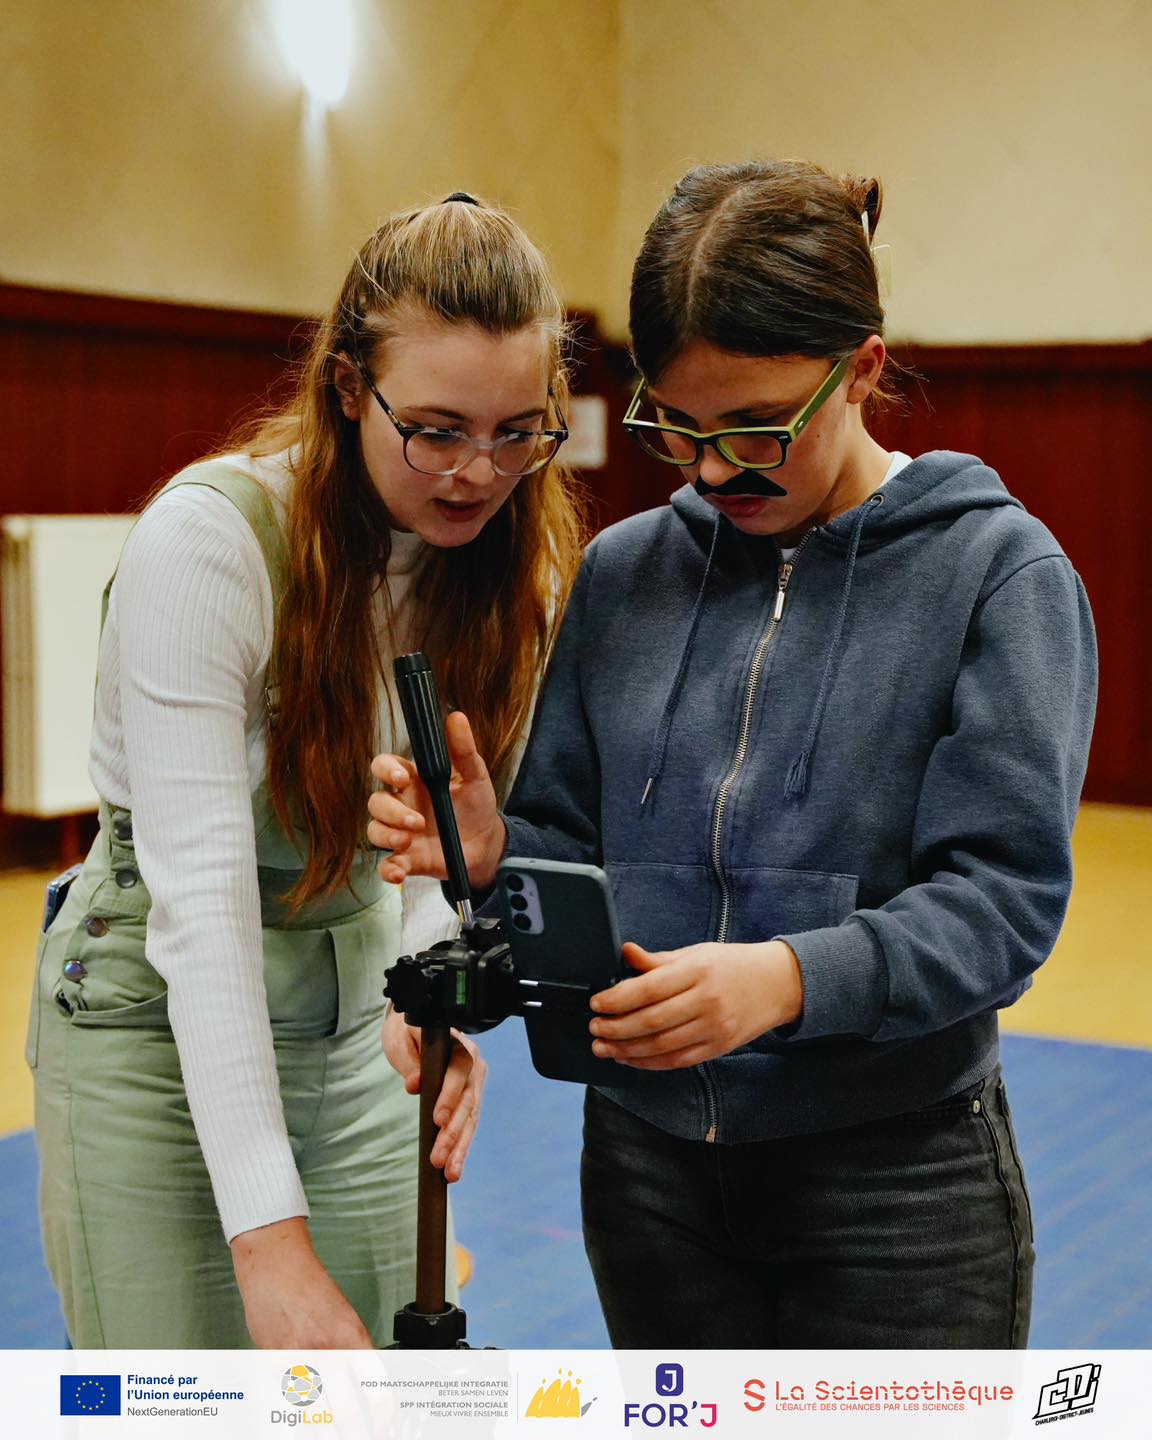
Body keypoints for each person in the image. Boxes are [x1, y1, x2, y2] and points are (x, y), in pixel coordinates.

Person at [367, 159, 1098, 1349]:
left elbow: (1004, 902)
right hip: (648, 1181)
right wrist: (497, 858)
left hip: (896, 1188)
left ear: (864, 369)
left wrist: (788, 980)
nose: (713, 471)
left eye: (755, 429)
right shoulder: (624, 574)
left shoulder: (997, 577)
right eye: (678, 427)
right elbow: (564, 850)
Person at [27, 192, 584, 1348]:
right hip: (154, 1011)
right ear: (345, 388)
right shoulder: (208, 545)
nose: (478, 474)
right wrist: (270, 1244)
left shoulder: (511, 572)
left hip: (354, 1007)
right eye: (436, 430)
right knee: (180, 1403)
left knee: (356, 1390)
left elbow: (427, 840)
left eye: (518, 433)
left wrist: (429, 984)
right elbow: (202, 909)